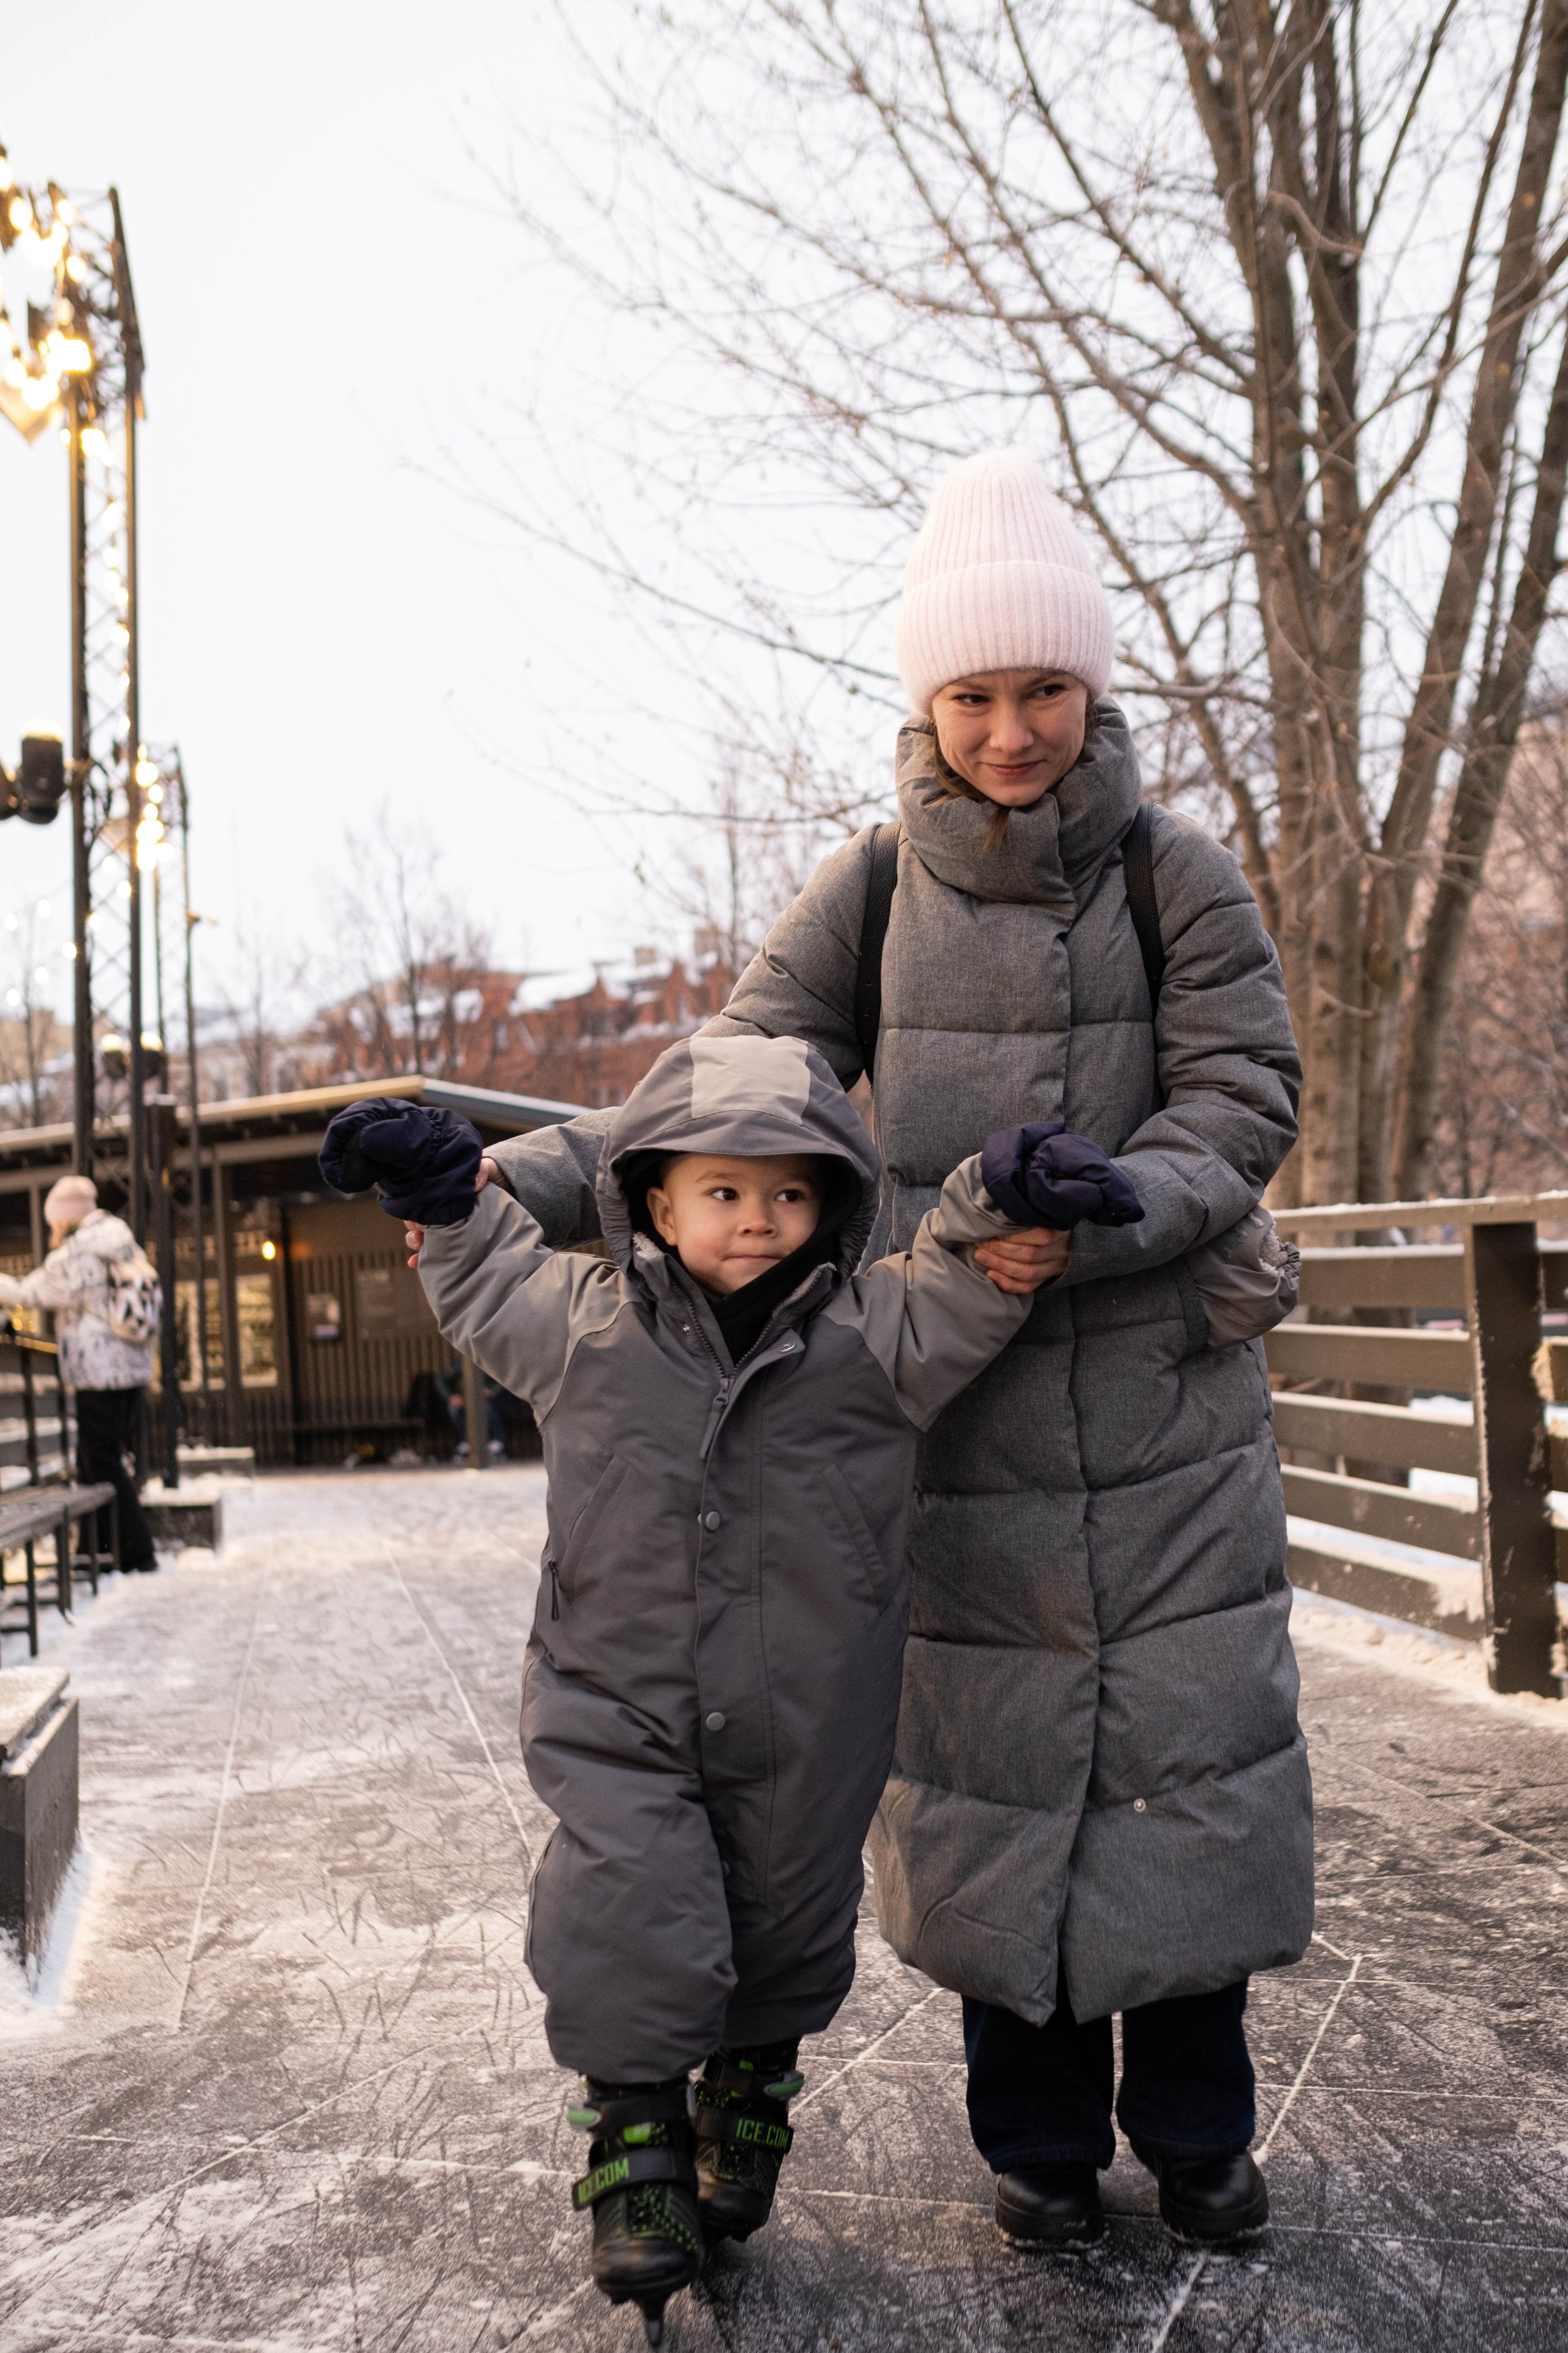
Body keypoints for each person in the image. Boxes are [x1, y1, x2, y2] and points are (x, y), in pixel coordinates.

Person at [477, 448, 1312, 2254]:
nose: (1011, 728)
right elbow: (727, 1082)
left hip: (1164, 1391)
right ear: (926, 705)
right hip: (955, 1397)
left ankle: (1194, 2125)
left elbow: (1247, 1088)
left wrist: (1127, 1193)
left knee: (1189, 1757)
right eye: (974, 693)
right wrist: (517, 1176)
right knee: (994, 1766)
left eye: (1041, 690)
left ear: (1091, 691)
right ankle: (1030, 2136)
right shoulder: (869, 887)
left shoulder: (1175, 872)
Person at [321, 1043, 1101, 2341]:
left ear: (830, 1209)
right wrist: (450, 1192)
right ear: (655, 1204)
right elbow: (487, 1269)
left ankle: (749, 2082)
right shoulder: (584, 1322)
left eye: (790, 1197)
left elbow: (967, 1287)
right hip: (612, 1694)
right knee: (627, 1894)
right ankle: (634, 2142)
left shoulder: (870, 1331)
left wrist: (1003, 1198)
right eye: (724, 1193)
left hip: (813, 1707)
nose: (758, 1220)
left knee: (787, 1909)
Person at [0, 1173, 158, 1574]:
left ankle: (136, 1553)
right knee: (95, 1462)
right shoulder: (118, 1241)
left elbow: (30, 1293)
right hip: (129, 1370)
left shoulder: (79, 1253)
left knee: (100, 1463)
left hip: (98, 1373)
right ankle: (96, 1550)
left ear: (64, 1219)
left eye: (53, 1221)